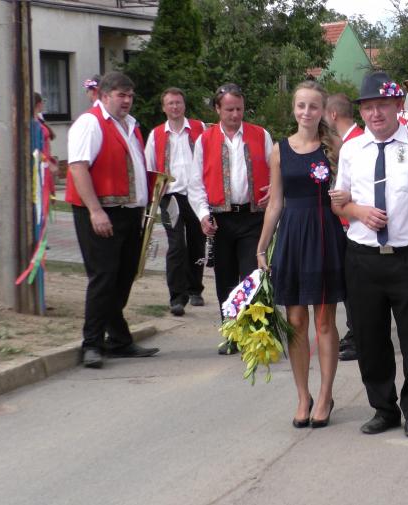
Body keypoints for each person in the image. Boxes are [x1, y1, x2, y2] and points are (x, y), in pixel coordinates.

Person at [332, 71, 408, 438]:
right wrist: (358, 212)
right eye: (368, 107)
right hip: (362, 257)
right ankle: (383, 408)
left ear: (398, 105)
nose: (375, 114)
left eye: (382, 105)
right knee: (369, 338)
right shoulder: (352, 149)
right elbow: (339, 202)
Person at [256, 81, 346, 429]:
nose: (306, 112)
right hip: (292, 237)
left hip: (324, 235)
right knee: (295, 321)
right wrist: (262, 246)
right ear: (294, 109)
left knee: (324, 321)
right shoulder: (279, 150)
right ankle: (302, 395)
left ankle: (325, 395)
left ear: (323, 110)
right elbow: (275, 203)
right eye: (301, 106)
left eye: (313, 106)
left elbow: (348, 190)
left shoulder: (334, 146)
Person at [65, 71, 160, 369]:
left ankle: (118, 340)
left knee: (124, 276)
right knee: (104, 278)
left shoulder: (130, 125)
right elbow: (78, 168)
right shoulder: (90, 123)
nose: (127, 101)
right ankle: (92, 344)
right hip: (102, 211)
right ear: (104, 96)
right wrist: (95, 211)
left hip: (128, 213)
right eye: (121, 95)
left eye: (130, 95)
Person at [188, 83, 272, 354]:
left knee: (251, 277)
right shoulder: (204, 140)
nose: (235, 114)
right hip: (221, 220)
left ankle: (253, 334)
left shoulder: (261, 135)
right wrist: (203, 214)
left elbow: (275, 170)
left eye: (239, 109)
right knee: (225, 278)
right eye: (229, 110)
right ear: (217, 109)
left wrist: (273, 190)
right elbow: (195, 183)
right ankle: (231, 332)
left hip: (252, 217)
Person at [144, 87, 206, 317]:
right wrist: (153, 195)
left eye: (178, 102)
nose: (175, 106)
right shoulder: (156, 134)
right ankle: (177, 298)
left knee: (198, 243)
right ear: (164, 107)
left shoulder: (200, 128)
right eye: (170, 103)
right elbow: (149, 167)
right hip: (170, 196)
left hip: (196, 195)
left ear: (184, 105)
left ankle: (195, 289)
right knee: (177, 244)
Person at [325, 92, 363, 362]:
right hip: (346, 221)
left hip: (354, 223)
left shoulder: (355, 143)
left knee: (355, 285)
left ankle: (359, 334)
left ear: (333, 115)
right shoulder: (349, 140)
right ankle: (355, 331)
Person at [33, 92, 59, 195]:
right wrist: (48, 163)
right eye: (43, 102)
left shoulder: (39, 121)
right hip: (40, 165)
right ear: (39, 104)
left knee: (47, 196)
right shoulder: (34, 124)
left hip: (45, 163)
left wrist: (50, 160)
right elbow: (35, 149)